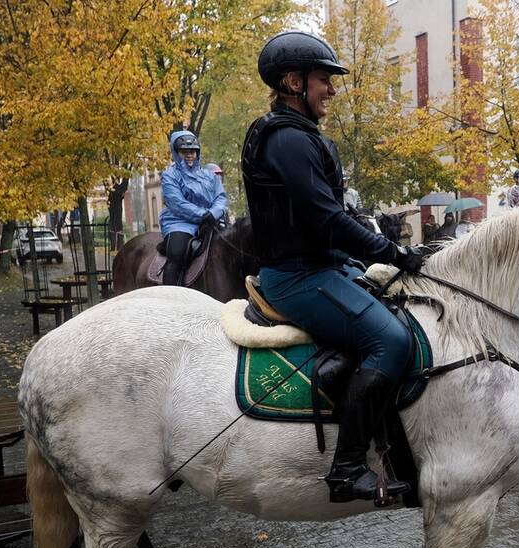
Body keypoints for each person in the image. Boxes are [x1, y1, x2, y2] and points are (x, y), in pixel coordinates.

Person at [240, 31, 427, 504]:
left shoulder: (303, 137)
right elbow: (327, 217)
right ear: (292, 82)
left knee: (399, 310)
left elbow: (330, 222)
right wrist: (393, 252)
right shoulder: (286, 141)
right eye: (324, 79)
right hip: (298, 278)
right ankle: (346, 471)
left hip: (323, 267)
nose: (333, 89)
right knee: (391, 340)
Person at [158, 131, 228, 286]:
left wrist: (213, 214)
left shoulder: (209, 175)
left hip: (210, 220)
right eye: (184, 152)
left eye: (193, 151)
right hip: (179, 222)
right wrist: (204, 215)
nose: (190, 155)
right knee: (177, 252)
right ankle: (170, 294)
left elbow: (221, 197)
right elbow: (176, 203)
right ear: (176, 153)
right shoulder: (169, 175)